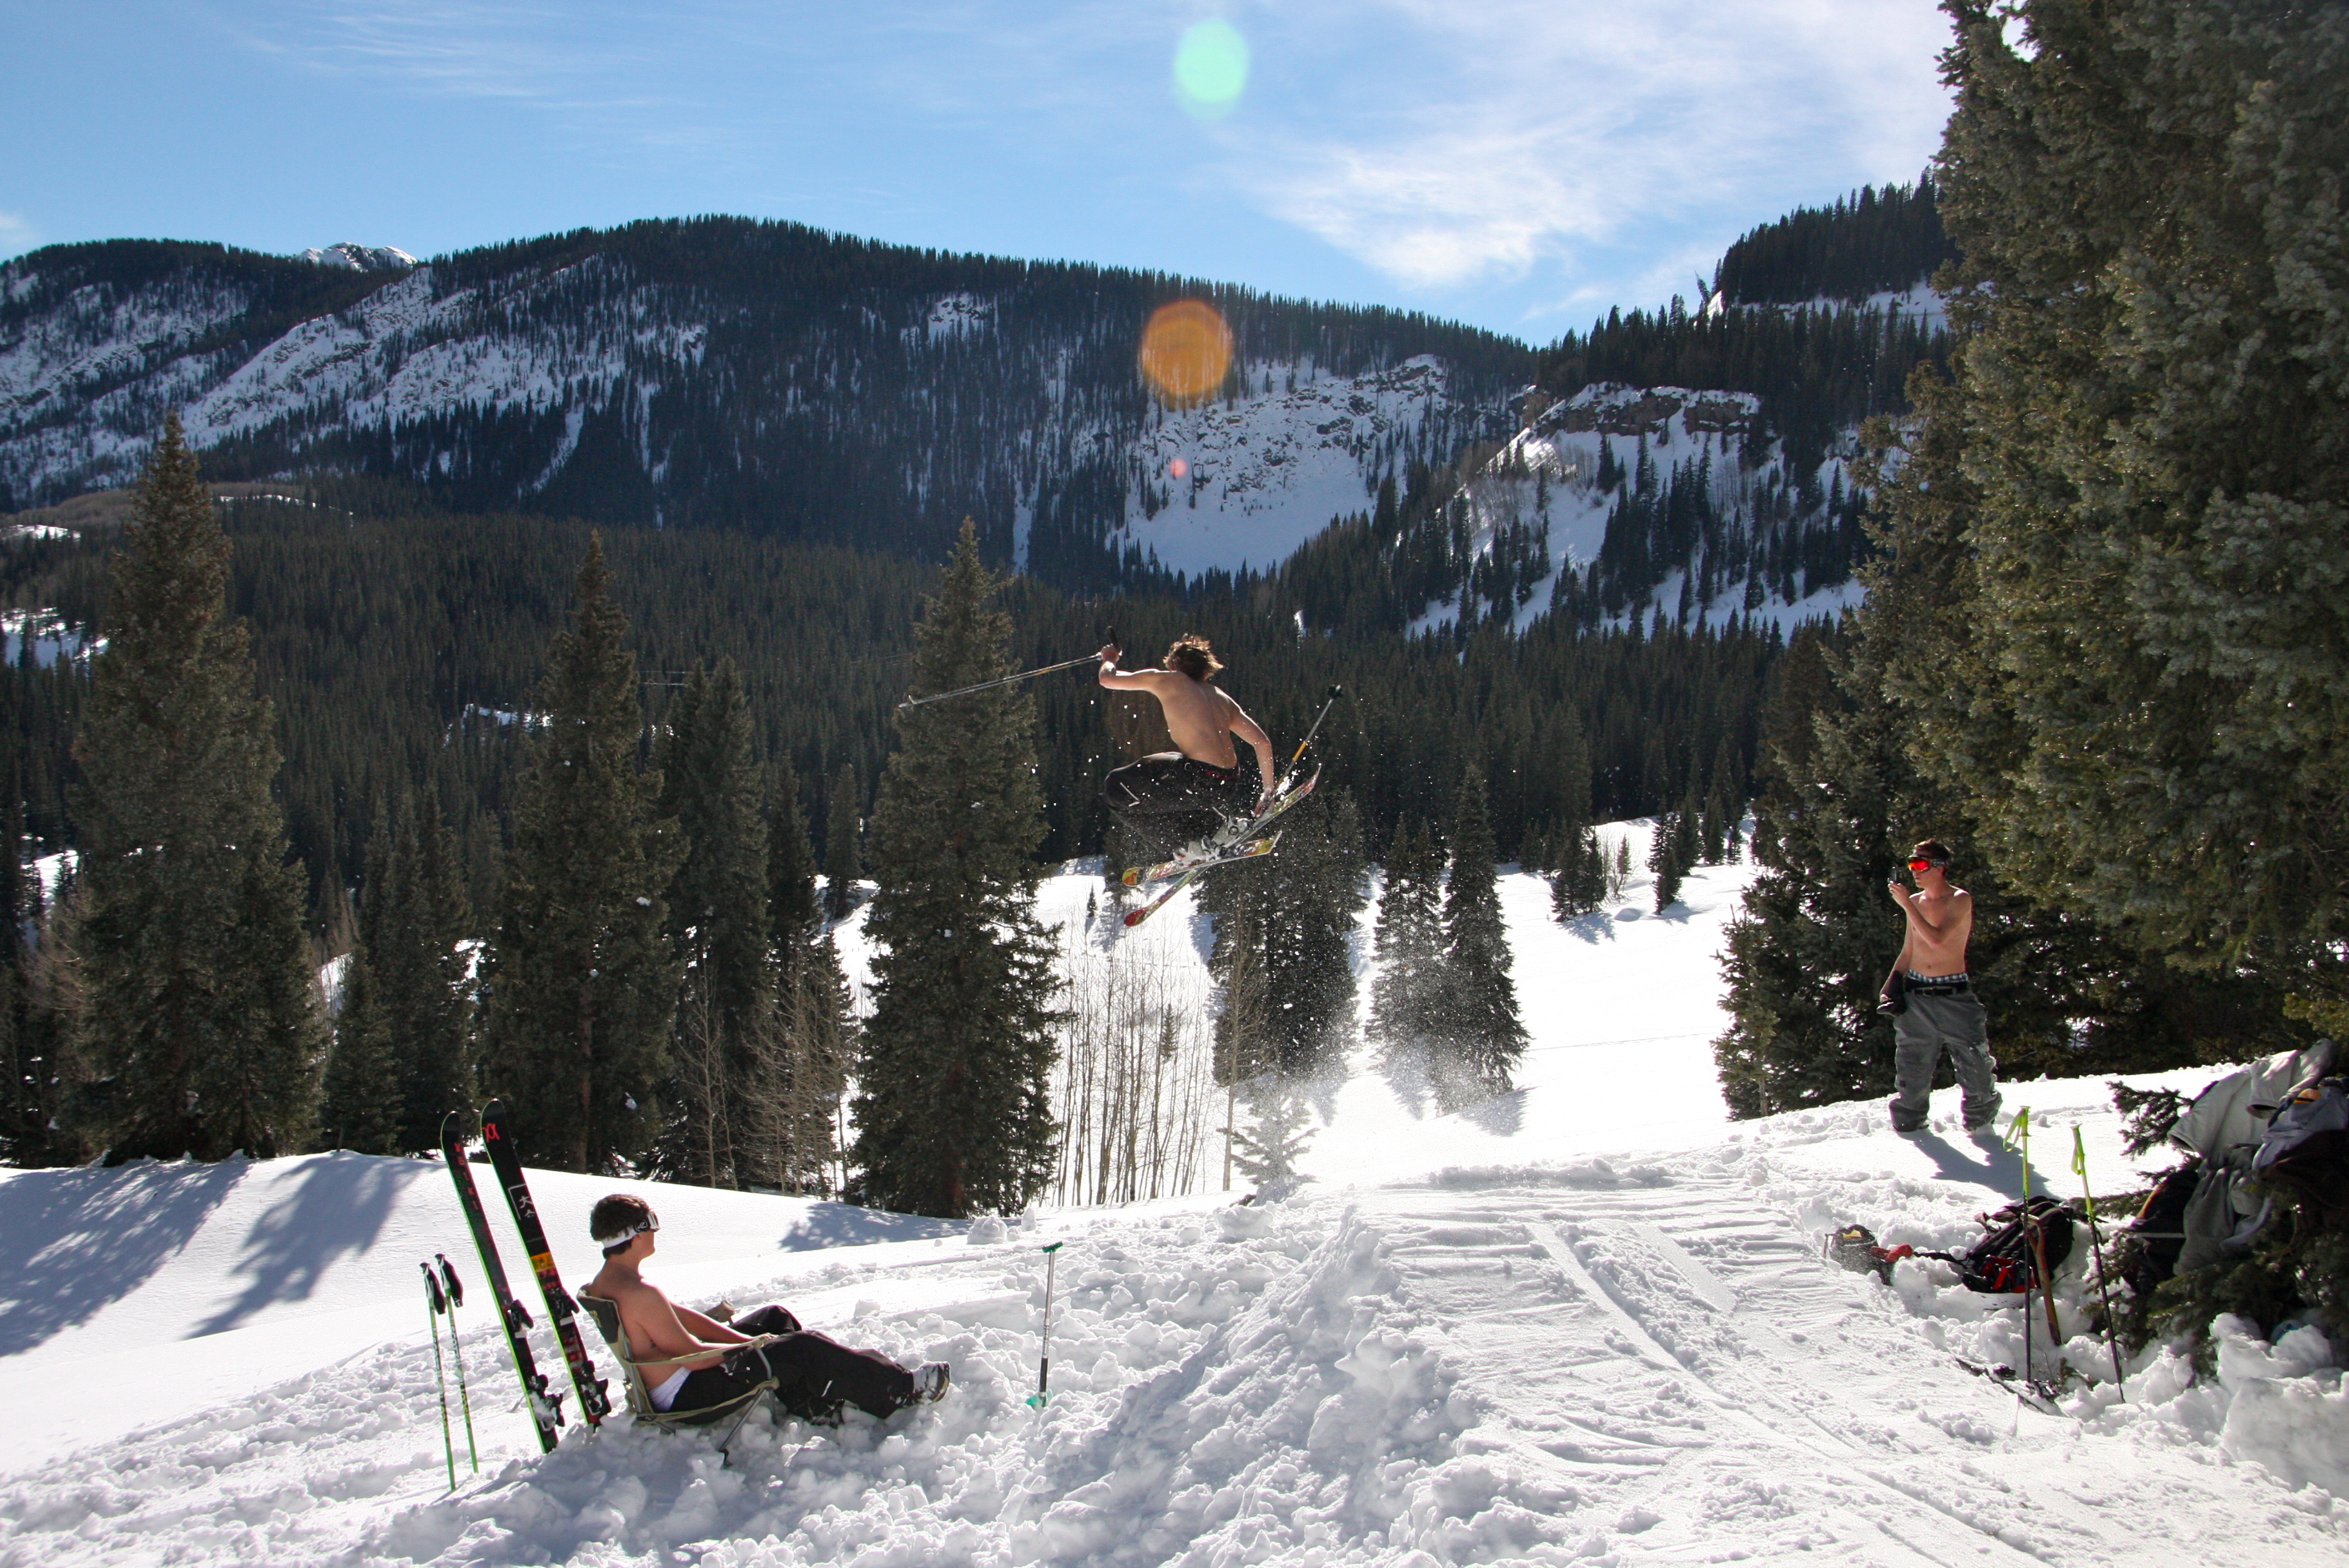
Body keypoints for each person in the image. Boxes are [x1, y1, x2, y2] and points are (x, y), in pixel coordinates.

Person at [583, 1194, 948, 1422]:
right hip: (691, 1392)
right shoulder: (639, 1293)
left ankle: (807, 1401)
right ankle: (900, 1389)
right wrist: (752, 1348)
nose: (655, 1232)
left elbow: (681, 1317)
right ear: (632, 1234)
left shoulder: (610, 1283)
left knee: (774, 1317)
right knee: (803, 1345)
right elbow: (694, 1357)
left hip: (678, 1380)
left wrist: (747, 1337)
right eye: (650, 1225)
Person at [1095, 634, 1277, 861]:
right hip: (1227, 783)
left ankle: (1186, 847)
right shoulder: (1221, 697)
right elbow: (1262, 742)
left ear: (1173, 665)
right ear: (1206, 671)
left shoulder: (1170, 680)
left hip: (1197, 780)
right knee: (1168, 763)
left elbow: (1108, 679)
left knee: (1115, 789)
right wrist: (1268, 792)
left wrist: (1110, 657)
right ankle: (1216, 829)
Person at [1882, 838, 1999, 1134]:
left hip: (1955, 994)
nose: (1914, 871)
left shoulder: (1959, 899)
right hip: (1917, 994)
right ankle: (1909, 1124)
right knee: (1911, 1065)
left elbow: (1937, 938)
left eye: (1920, 863)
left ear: (1940, 866)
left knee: (1974, 1063)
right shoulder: (1917, 903)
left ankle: (1981, 1124)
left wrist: (1906, 904)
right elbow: (1909, 950)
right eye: (1911, 863)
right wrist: (1890, 986)